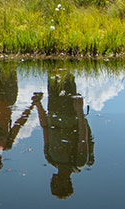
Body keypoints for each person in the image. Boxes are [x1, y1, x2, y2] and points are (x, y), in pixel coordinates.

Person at [34, 71, 95, 199]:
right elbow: (82, 137)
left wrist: (38, 104)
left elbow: (45, 128)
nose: (52, 183)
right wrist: (79, 111)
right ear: (66, 183)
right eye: (55, 185)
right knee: (67, 77)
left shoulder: (50, 158)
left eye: (53, 185)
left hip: (53, 108)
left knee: (52, 75)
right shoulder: (78, 163)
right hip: (70, 112)